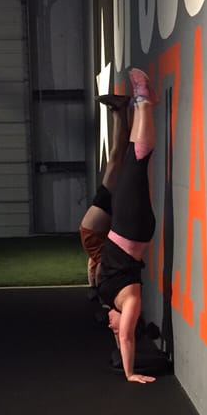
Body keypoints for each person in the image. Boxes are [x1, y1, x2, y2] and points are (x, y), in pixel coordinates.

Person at [97, 67, 159, 384]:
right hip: (132, 228)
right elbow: (126, 337)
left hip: (124, 226)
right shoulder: (130, 301)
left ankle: (140, 105)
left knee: (129, 166)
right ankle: (144, 102)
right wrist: (130, 372)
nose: (111, 326)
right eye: (116, 326)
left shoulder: (111, 298)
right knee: (136, 165)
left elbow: (119, 334)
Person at [79, 93, 132, 287]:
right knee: (116, 158)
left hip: (97, 223)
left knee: (117, 158)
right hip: (97, 224)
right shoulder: (104, 260)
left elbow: (94, 269)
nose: (93, 276)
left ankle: (119, 111)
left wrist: (94, 284)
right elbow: (101, 271)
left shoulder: (97, 258)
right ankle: (119, 109)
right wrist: (99, 287)